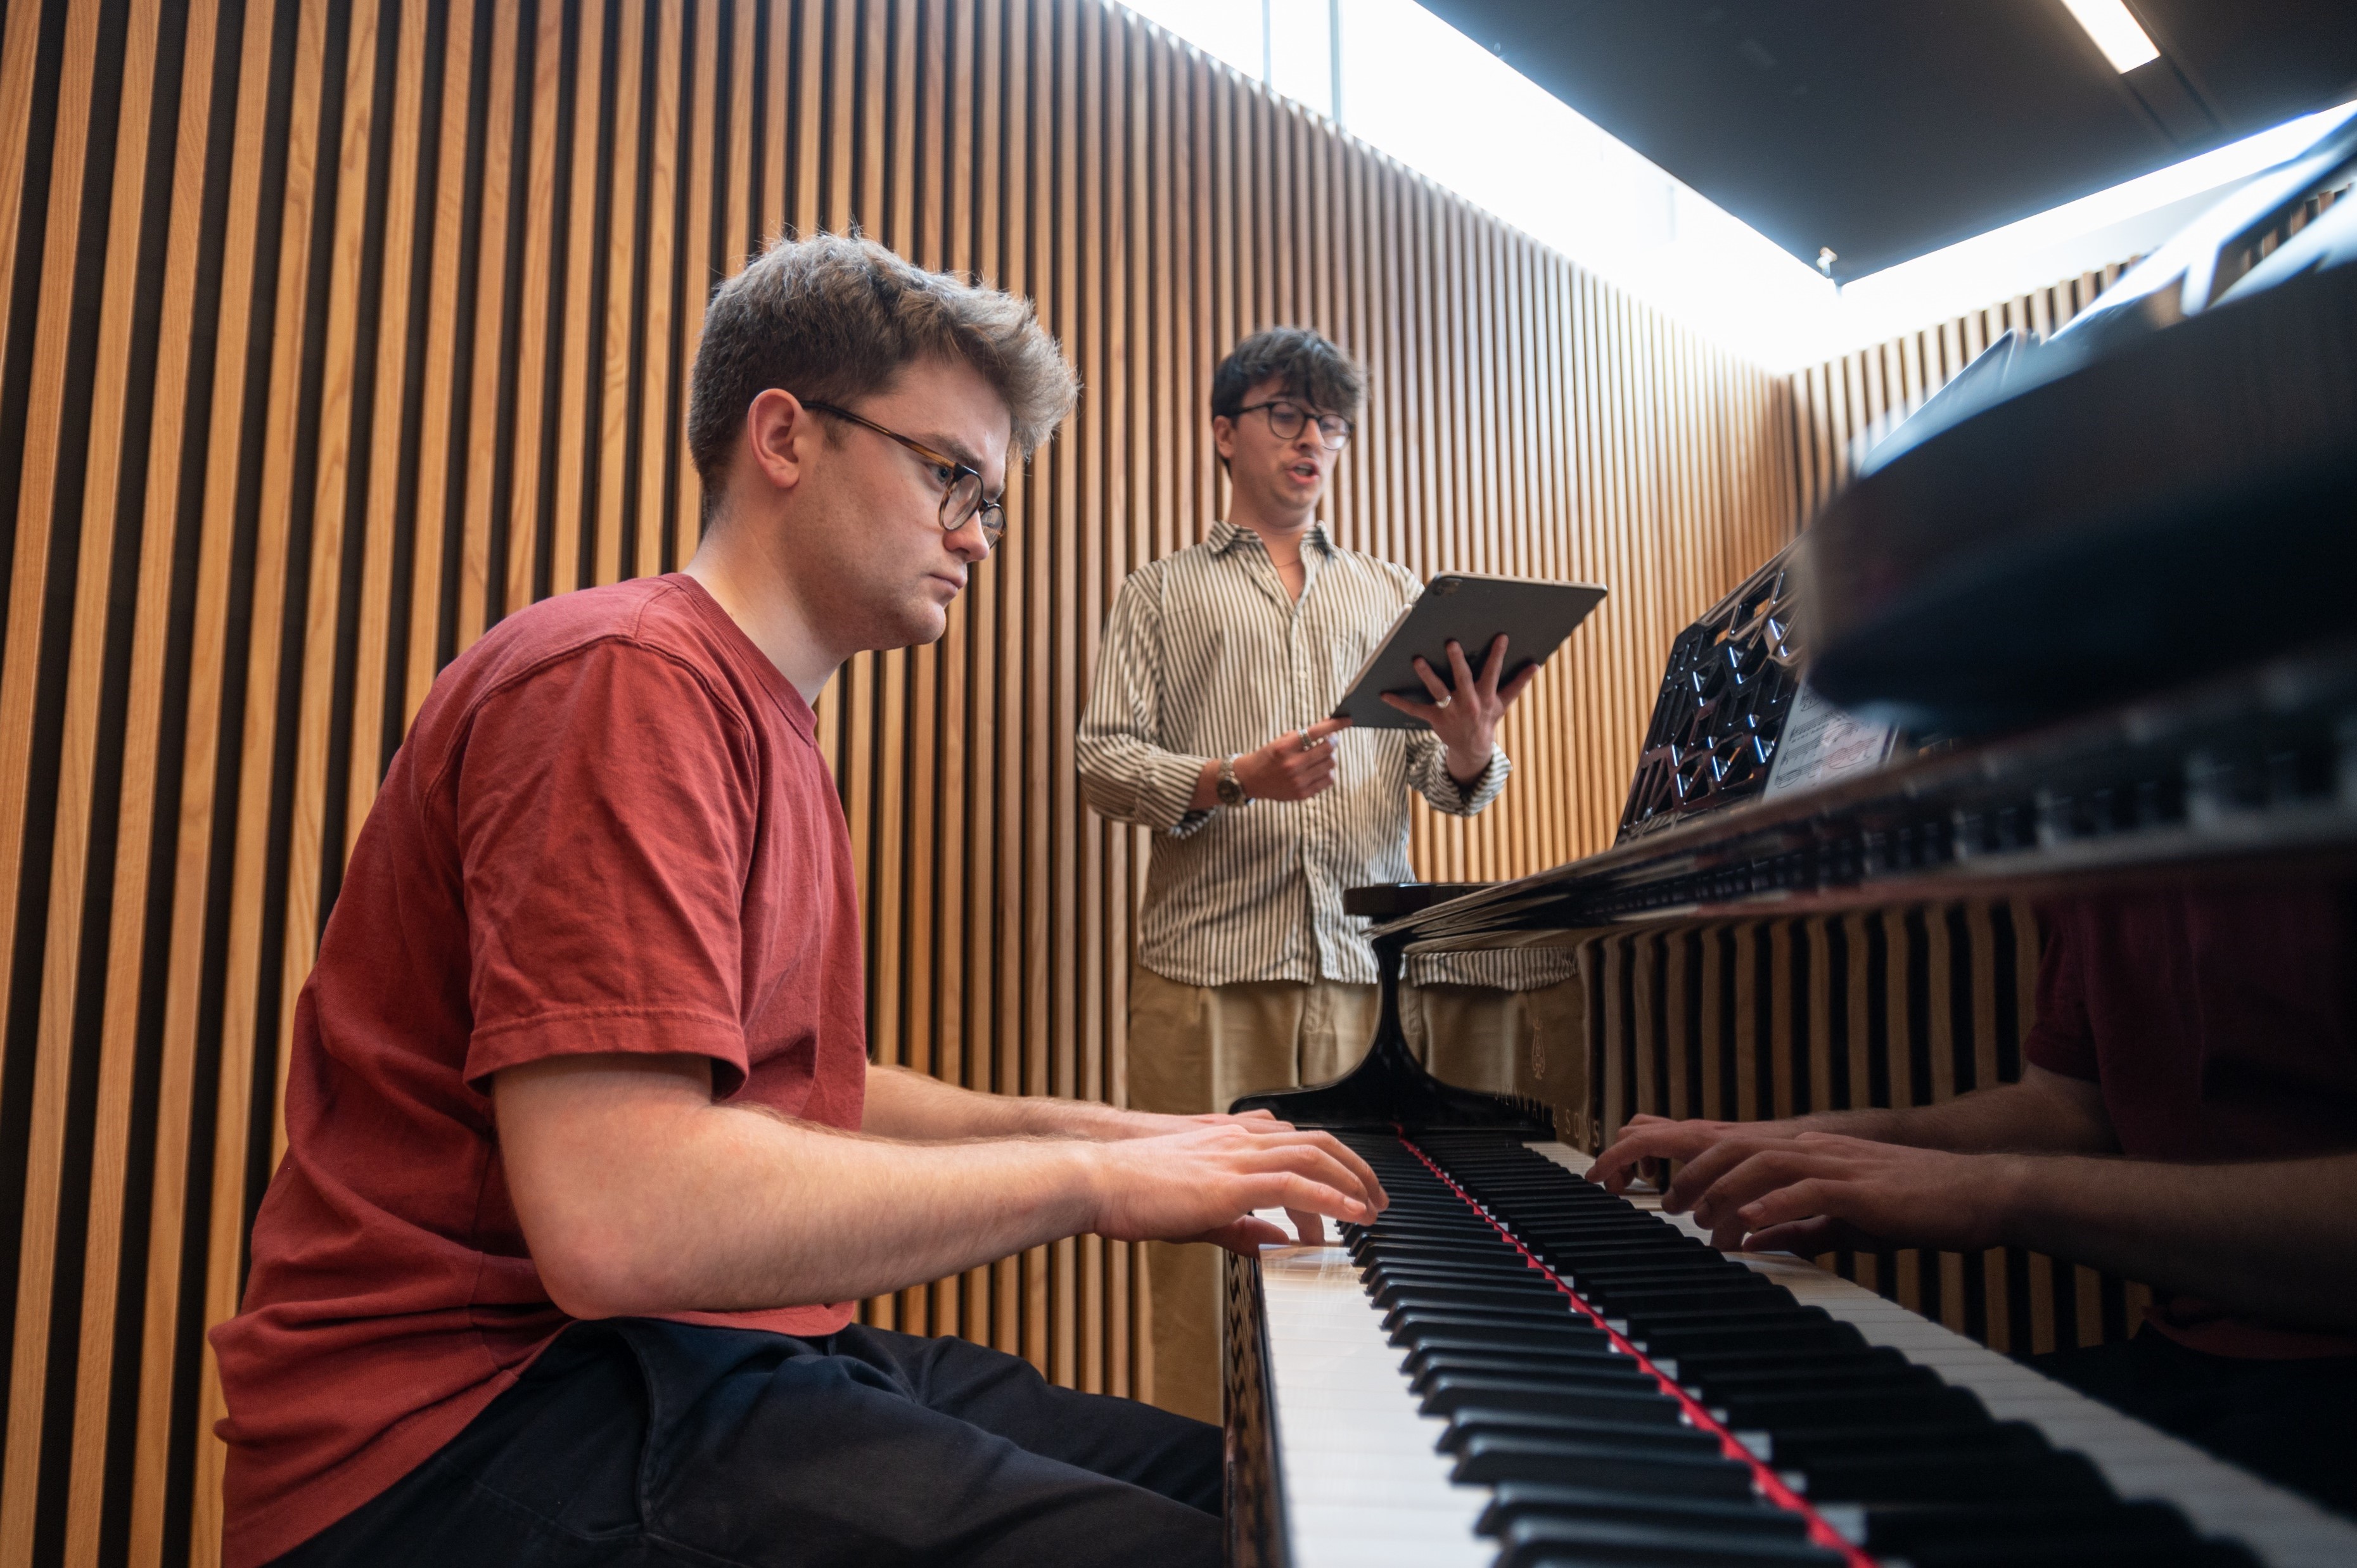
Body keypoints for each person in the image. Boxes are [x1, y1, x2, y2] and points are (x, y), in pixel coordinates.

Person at [208, 235, 1390, 1568]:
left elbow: (797, 1097)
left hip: (714, 1346)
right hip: (474, 1422)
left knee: (1260, 1488)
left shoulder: (760, 715)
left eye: (991, 501)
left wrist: (1126, 1130)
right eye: (953, 475)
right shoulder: (623, 677)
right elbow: (622, 1213)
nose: (978, 538)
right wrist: (1095, 1179)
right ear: (784, 434)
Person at [1075, 326, 1554, 1423]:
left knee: (1366, 1260)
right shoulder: (1157, 594)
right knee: (1206, 1273)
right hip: (1202, 977)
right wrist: (1236, 776)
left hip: (1364, 980)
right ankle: (1201, 1499)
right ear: (1223, 433)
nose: (1314, 438)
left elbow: (1450, 781)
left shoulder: (1397, 597)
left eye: (1330, 420)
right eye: (1287, 413)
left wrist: (1478, 745)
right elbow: (1102, 766)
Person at [1590, 882, 2357, 1516]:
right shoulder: (2104, 785)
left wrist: (2001, 1191)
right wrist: (1830, 1144)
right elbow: (2074, 1105)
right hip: (2182, 1358)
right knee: (1674, 1456)